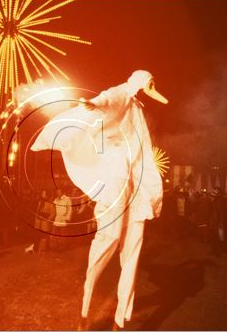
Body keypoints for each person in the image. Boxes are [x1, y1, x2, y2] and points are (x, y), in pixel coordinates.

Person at [31, 70, 166, 329]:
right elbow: (109, 97)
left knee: (132, 257)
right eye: (148, 82)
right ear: (140, 81)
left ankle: (119, 321)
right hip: (115, 185)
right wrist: (95, 104)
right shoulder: (124, 94)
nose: (151, 87)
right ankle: (84, 311)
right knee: (107, 243)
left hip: (134, 190)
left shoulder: (136, 109)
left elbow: (140, 149)